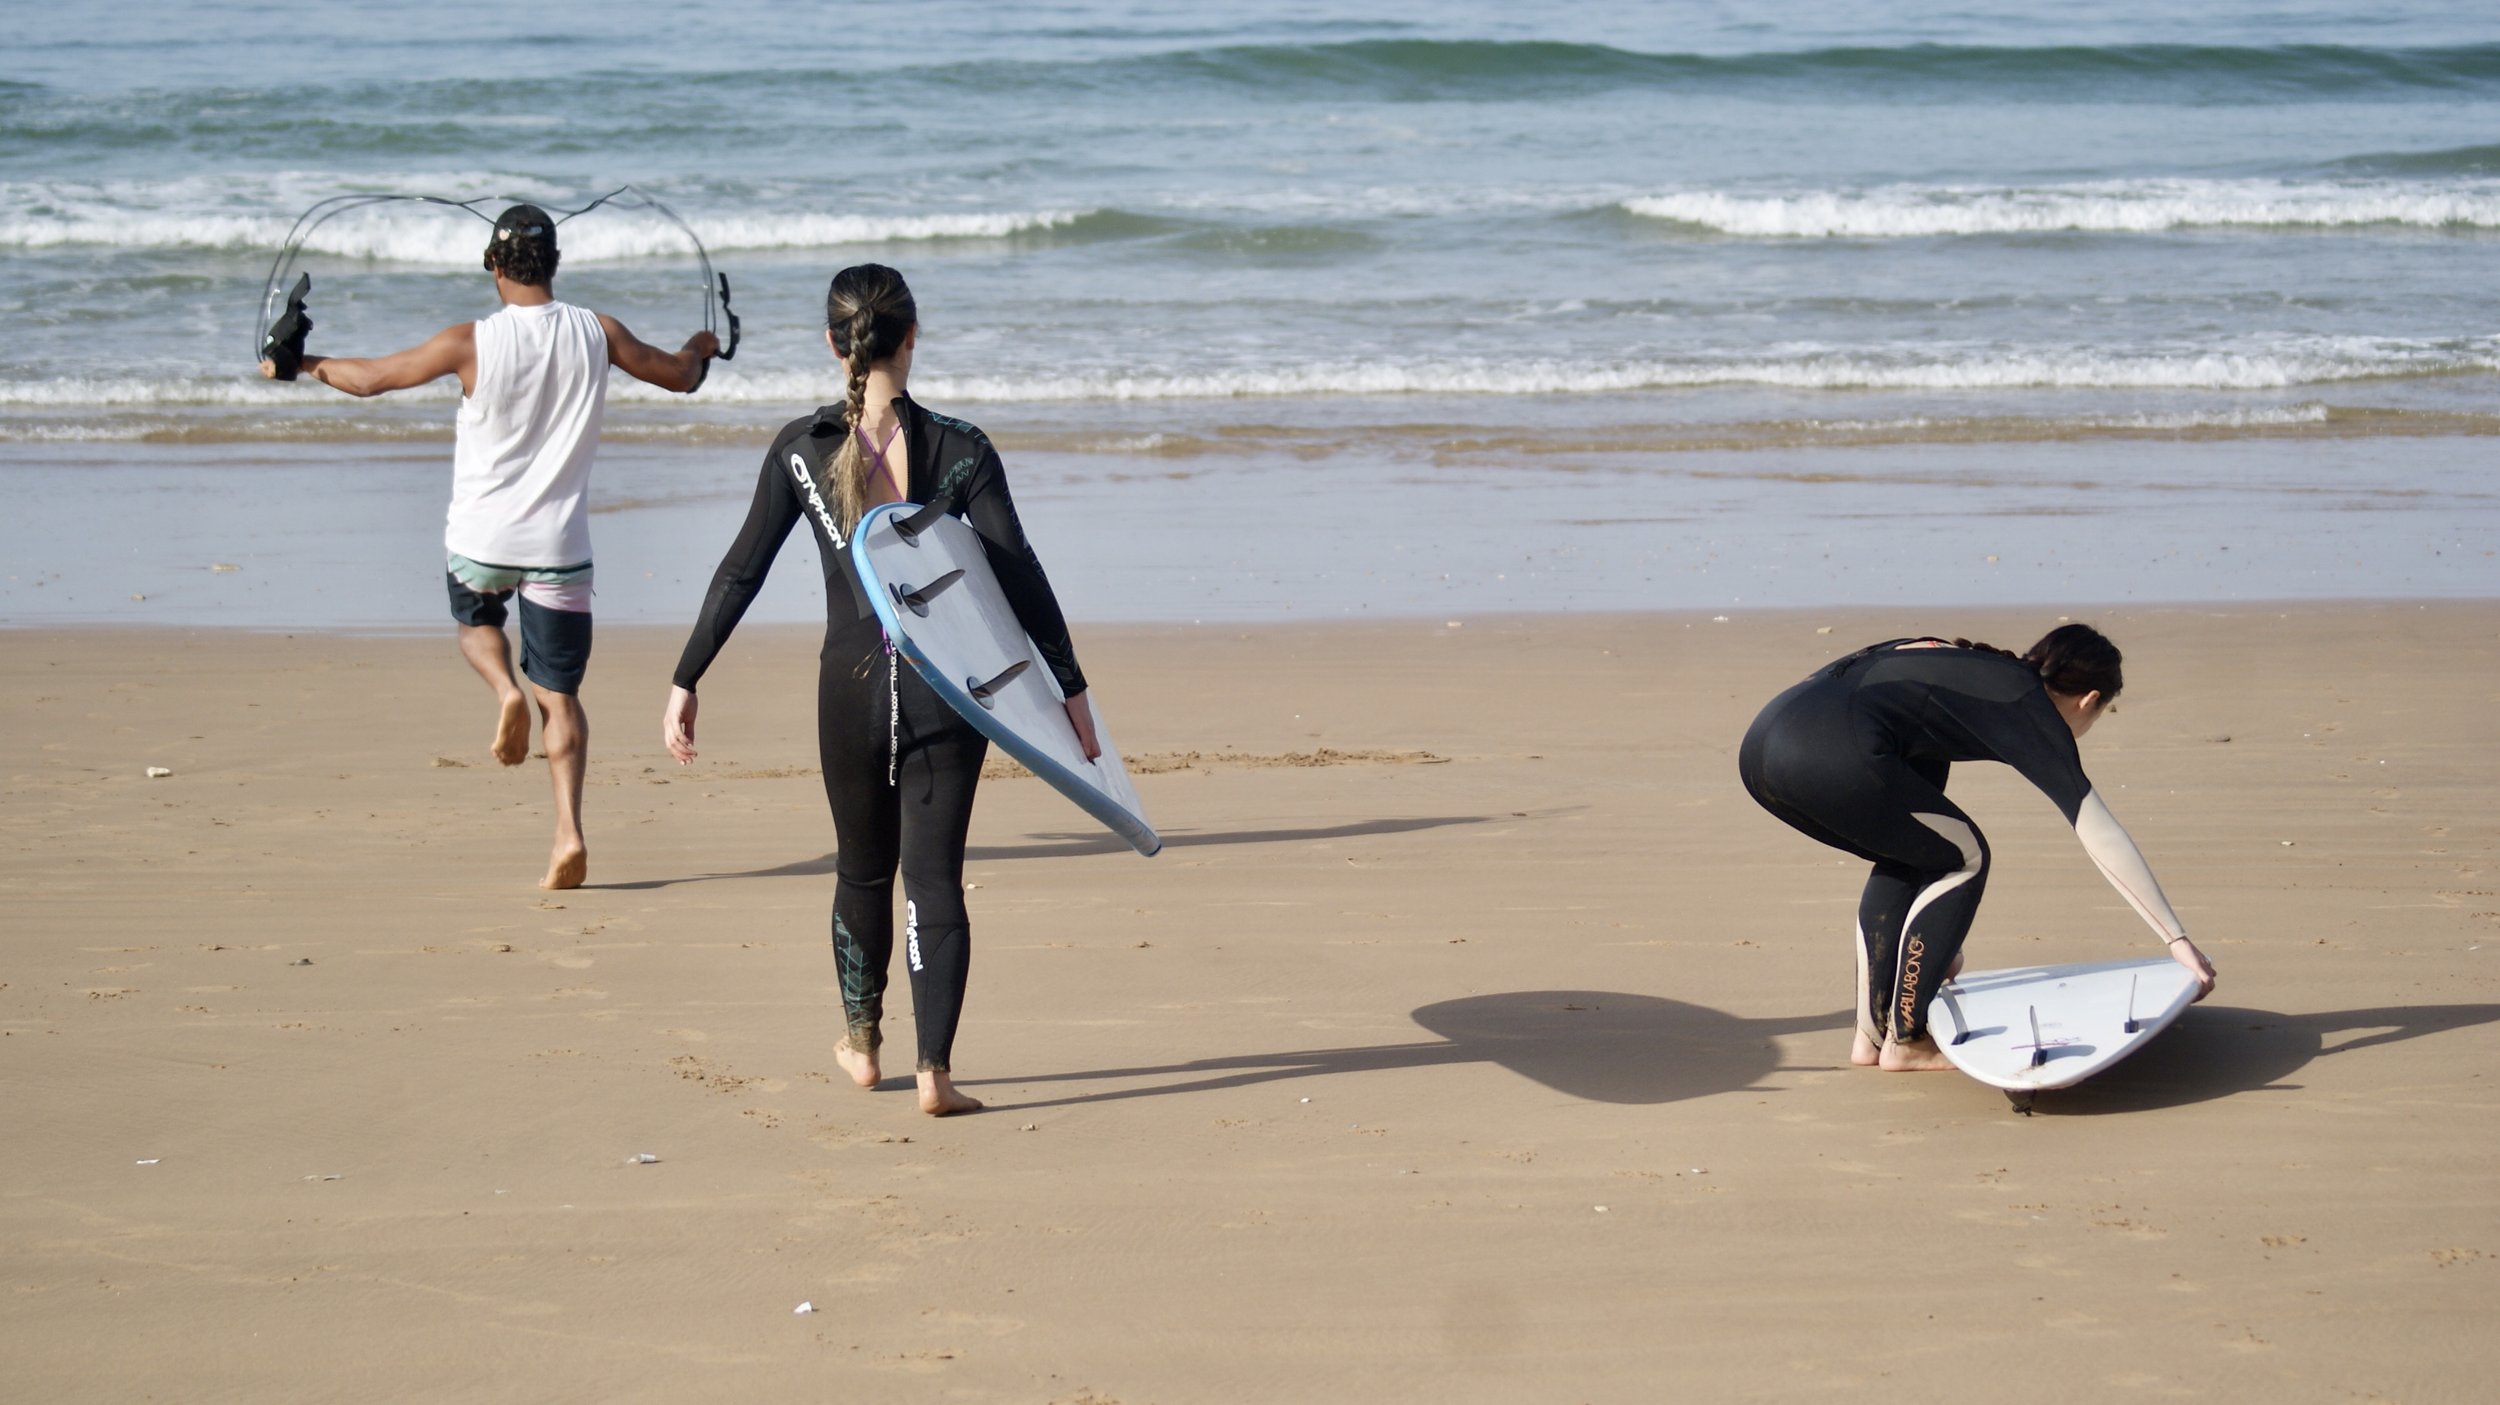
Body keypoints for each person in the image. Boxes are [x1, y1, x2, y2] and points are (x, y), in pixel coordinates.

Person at [662, 264, 1098, 1116]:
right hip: (946, 693)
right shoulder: (963, 449)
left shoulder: (801, 446)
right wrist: (1071, 693)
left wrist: (687, 675)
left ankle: (862, 1045)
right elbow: (1021, 577)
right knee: (933, 880)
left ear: (833, 343)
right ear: (912, 335)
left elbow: (739, 571)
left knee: (862, 873)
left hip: (847, 691)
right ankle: (935, 1071)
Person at [261, 204, 720, 889]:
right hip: (559, 543)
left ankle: (503, 687)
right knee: (560, 697)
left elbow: (375, 378)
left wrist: (302, 364)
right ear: (555, 265)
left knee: (476, 625)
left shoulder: (469, 341)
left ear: (494, 267)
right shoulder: (599, 331)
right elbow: (678, 375)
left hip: (481, 540)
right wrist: (703, 346)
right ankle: (568, 832)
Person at [1737, 625, 2217, 1071]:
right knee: (1966, 858)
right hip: (1828, 754)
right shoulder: (2030, 706)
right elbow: (2097, 829)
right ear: (2090, 699)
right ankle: (1906, 1041)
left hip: (1763, 749)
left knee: (1915, 856)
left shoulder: (1952, 666)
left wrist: (1941, 942)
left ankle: (1871, 1036)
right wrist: (2177, 941)